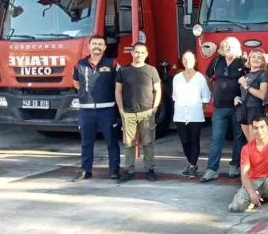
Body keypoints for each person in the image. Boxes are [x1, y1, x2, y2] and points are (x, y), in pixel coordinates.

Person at [71, 35, 120, 181]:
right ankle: (86, 170)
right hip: (86, 111)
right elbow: (76, 83)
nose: (97, 46)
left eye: (100, 44)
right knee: (86, 143)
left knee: (112, 141)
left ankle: (114, 170)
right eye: (94, 44)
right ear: (89, 46)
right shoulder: (79, 64)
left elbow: (119, 84)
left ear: (104, 47)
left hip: (107, 110)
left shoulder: (112, 64)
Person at [202, 37, 247, 182]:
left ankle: (234, 166)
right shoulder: (217, 61)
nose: (228, 48)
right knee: (216, 139)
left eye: (231, 46)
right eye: (225, 46)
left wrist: (241, 96)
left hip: (237, 108)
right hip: (219, 108)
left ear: (237, 48)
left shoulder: (242, 62)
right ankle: (211, 169)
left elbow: (250, 80)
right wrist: (213, 93)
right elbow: (207, 76)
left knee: (238, 138)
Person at [115, 42, 161, 182]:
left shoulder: (151, 70)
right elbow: (118, 91)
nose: (139, 55)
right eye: (136, 52)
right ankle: (128, 171)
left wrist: (155, 107)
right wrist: (121, 109)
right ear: (132, 53)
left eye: (142, 52)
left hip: (146, 112)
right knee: (128, 143)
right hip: (128, 113)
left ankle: (150, 170)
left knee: (148, 143)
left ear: (146, 54)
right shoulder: (123, 70)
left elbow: (157, 90)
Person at [228, 115, 268, 220]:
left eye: (262, 127)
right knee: (236, 206)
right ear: (252, 129)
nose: (259, 131)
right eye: (255, 128)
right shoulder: (246, 149)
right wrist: (251, 192)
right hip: (254, 182)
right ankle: (256, 198)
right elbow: (244, 174)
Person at [172, 50, 211, 178]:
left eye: (189, 59)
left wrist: (199, 108)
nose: (187, 61)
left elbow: (206, 97)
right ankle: (191, 162)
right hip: (180, 115)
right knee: (184, 141)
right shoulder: (177, 78)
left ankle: (193, 166)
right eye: (184, 59)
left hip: (195, 115)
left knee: (194, 140)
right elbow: (175, 96)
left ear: (194, 61)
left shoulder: (200, 78)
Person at [238, 48, 268, 143]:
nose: (256, 59)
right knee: (249, 142)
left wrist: (246, 85)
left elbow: (262, 95)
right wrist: (237, 98)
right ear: (249, 59)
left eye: (259, 57)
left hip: (255, 109)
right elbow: (243, 94)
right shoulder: (246, 75)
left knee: (254, 141)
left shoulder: (263, 74)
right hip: (243, 110)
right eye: (253, 57)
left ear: (263, 61)